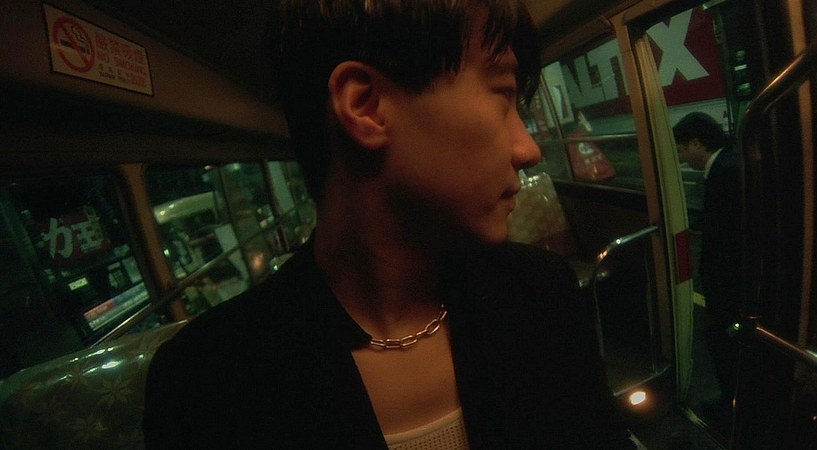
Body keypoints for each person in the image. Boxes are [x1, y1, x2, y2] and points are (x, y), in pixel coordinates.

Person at [143, 1, 636, 448]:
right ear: (367, 106)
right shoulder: (208, 382)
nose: (528, 150)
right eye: (503, 96)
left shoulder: (543, 294)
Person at [674, 112, 743, 408]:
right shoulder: (729, 162)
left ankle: (732, 404)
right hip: (731, 283)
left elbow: (727, 236)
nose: (682, 158)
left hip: (730, 285)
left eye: (682, 150)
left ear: (697, 143)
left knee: (721, 342)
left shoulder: (724, 172)